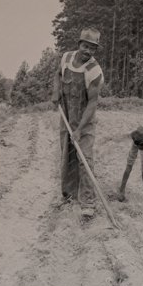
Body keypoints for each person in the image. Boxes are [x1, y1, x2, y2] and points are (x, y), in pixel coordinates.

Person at [52, 27, 104, 218]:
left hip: (85, 122)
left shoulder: (94, 70)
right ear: (79, 44)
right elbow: (58, 75)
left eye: (92, 48)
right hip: (66, 118)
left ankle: (88, 202)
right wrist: (55, 92)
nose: (87, 51)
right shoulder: (66, 58)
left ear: (95, 50)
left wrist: (80, 129)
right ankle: (68, 197)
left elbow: (92, 103)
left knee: (85, 160)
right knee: (67, 157)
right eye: (85, 45)